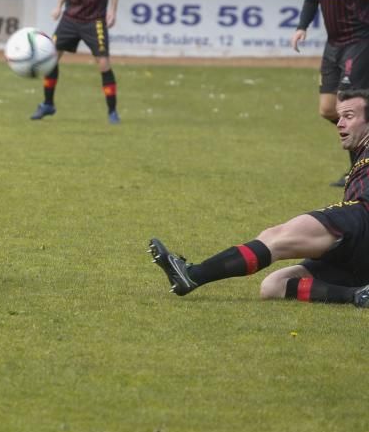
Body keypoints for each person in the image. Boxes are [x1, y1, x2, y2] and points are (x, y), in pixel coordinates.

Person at [149, 89, 369, 308]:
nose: (339, 123)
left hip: (362, 214)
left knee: (276, 237)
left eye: (349, 116)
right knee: (274, 286)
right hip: (360, 250)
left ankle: (192, 274)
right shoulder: (360, 152)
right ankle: (358, 294)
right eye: (339, 116)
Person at [289, 0, 369, 186]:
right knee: (327, 109)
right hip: (333, 45)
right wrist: (301, 27)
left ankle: (358, 171)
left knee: (347, 107)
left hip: (359, 42)